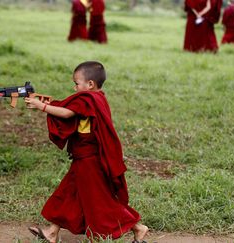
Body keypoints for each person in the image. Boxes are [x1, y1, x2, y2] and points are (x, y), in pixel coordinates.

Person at [24, 61, 148, 243]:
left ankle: (138, 227)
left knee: (101, 201)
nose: (75, 88)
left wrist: (40, 106)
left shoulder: (88, 99)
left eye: (77, 83)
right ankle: (52, 232)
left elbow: (66, 114)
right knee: (68, 193)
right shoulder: (97, 98)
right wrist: (48, 103)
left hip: (90, 160)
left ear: (90, 84)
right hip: (84, 156)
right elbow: (68, 109)